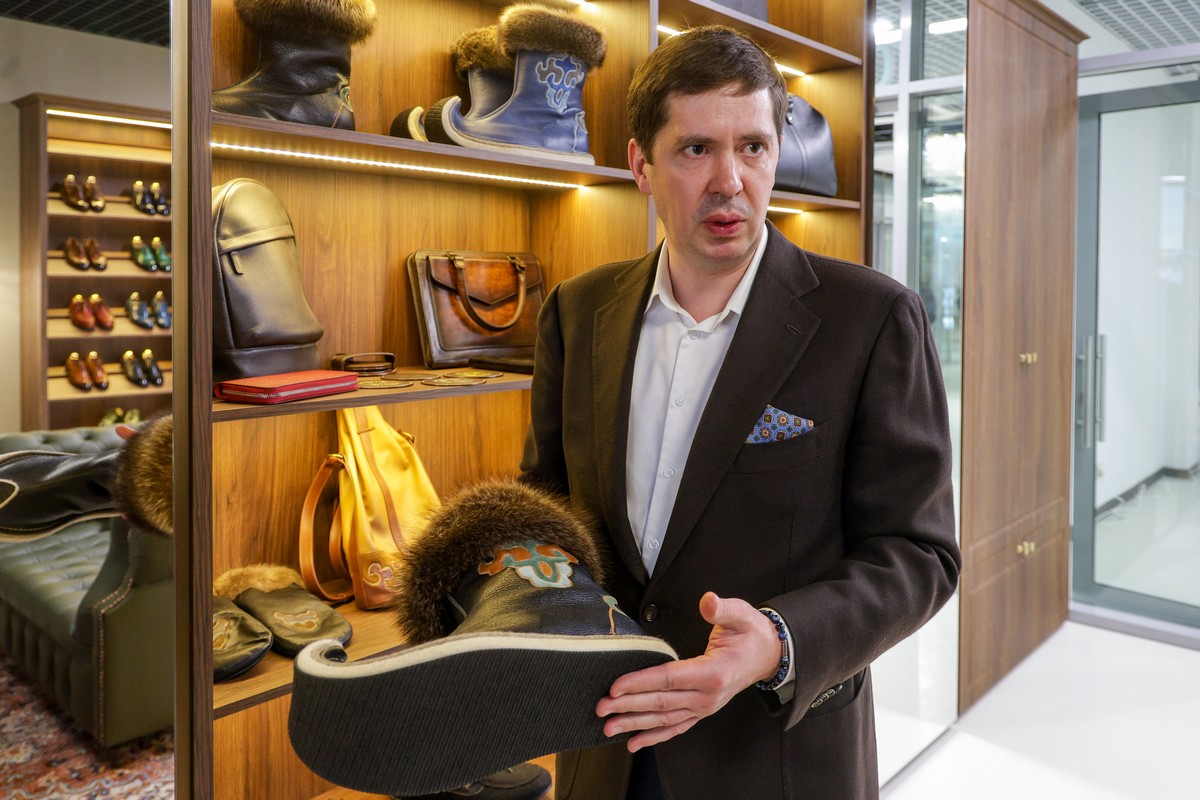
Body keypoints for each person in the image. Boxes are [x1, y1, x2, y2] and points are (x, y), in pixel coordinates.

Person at [518, 24, 960, 800]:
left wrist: (780, 640)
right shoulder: (575, 311)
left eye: (753, 147)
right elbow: (546, 506)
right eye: (696, 150)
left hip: (774, 754)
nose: (730, 181)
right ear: (640, 165)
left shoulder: (871, 319)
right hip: (606, 740)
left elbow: (920, 555)